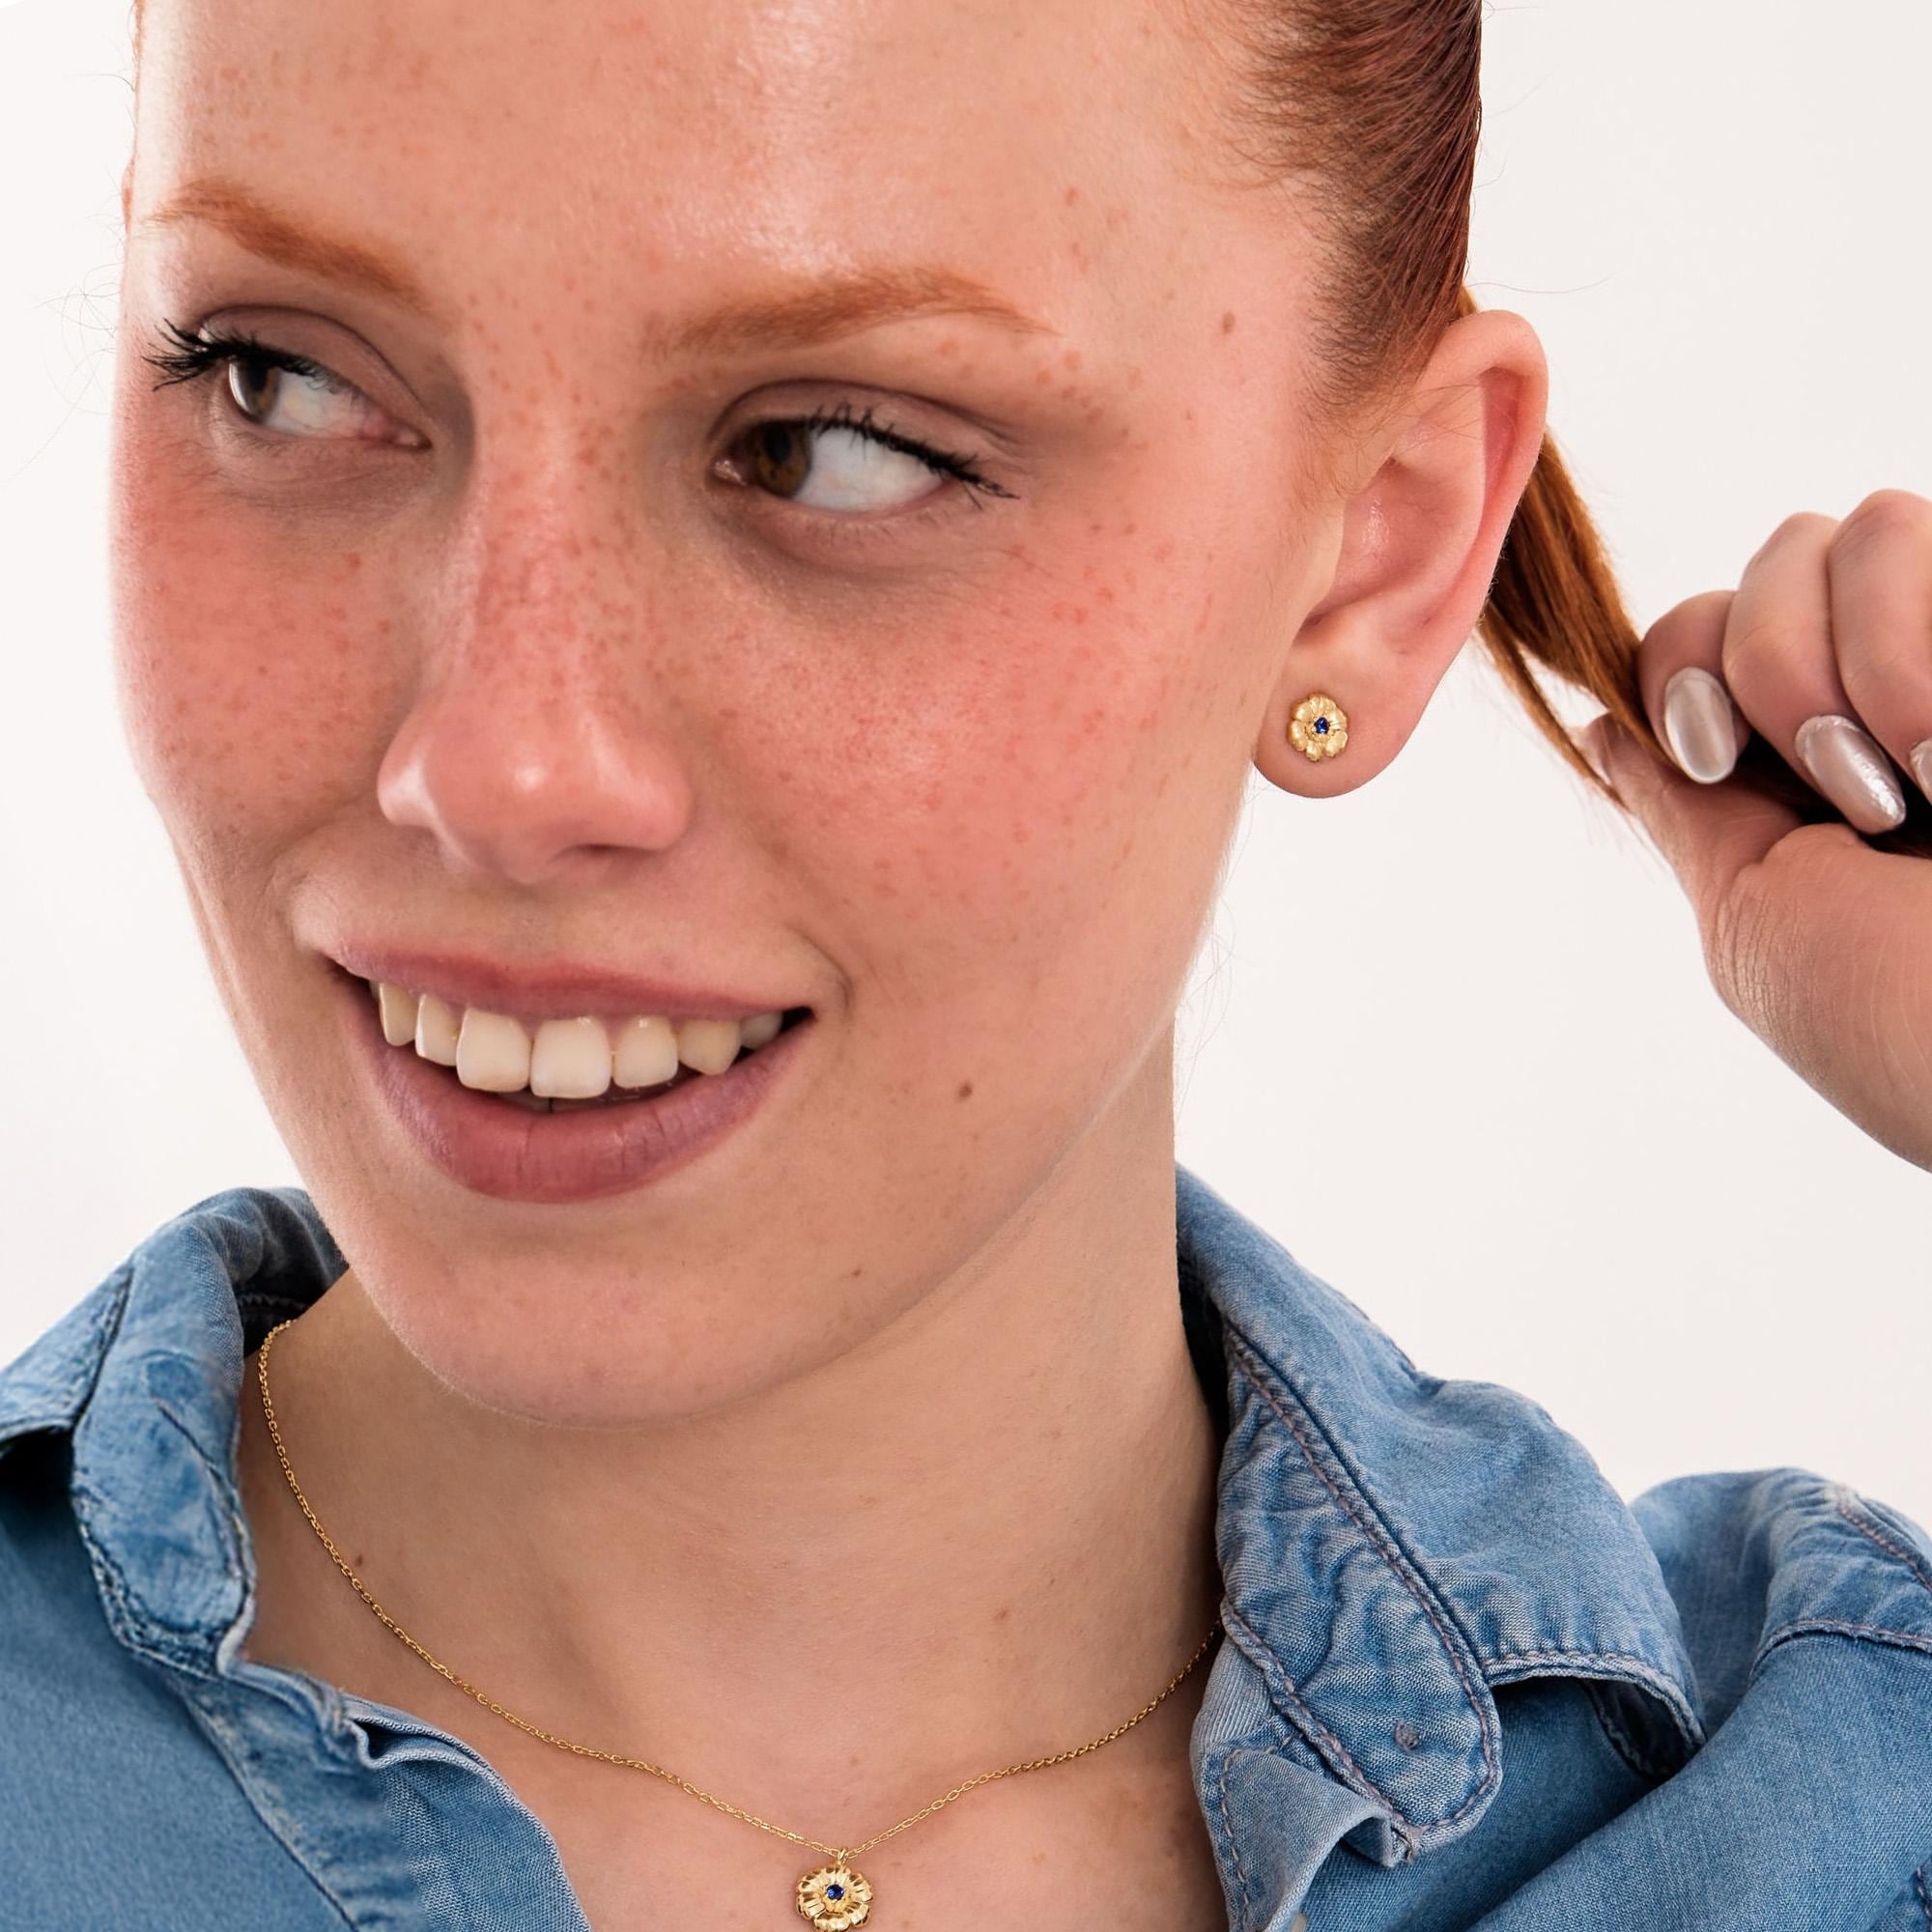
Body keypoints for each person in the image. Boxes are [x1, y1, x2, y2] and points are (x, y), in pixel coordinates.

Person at [3, 0, 1929, 1926]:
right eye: (273, 375)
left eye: (832, 448)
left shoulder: (1835, 1830)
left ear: (1373, 552)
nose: (497, 771)